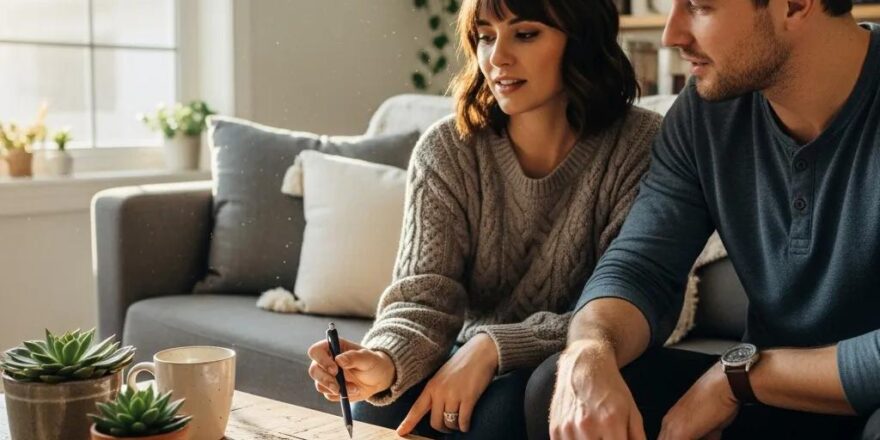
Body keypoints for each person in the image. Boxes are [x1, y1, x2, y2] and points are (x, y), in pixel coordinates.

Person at [305, 0, 663, 438]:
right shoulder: (447, 151)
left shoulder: (640, 145)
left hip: (583, 357)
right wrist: (383, 361)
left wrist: (493, 346)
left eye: (525, 34)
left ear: (582, 40)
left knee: (505, 411)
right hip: (469, 352)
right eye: (486, 36)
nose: (497, 58)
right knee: (380, 412)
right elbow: (424, 299)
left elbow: (628, 303)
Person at [528, 0, 880, 438]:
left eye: (698, 6)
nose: (671, 34)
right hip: (767, 402)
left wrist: (739, 380)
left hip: (851, 401)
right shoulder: (704, 113)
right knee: (560, 387)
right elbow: (640, 267)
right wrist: (588, 350)